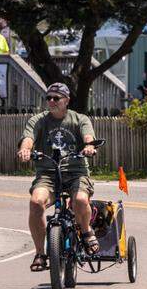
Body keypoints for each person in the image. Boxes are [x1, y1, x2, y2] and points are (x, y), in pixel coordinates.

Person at [17, 82, 98, 271]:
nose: (51, 101)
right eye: (48, 98)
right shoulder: (38, 120)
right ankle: (40, 253)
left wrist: (89, 146)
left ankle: (86, 232)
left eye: (56, 98)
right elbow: (28, 138)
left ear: (66, 101)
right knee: (36, 202)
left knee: (79, 200)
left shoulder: (79, 119)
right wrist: (25, 150)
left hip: (76, 172)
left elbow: (88, 137)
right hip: (48, 173)